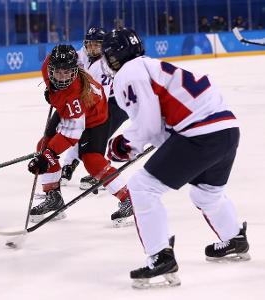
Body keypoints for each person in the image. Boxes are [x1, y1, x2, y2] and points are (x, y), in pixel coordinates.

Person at [101, 28, 250, 288]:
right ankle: (234, 238)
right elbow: (160, 126)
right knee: (206, 194)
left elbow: (146, 124)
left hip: (199, 134)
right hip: (226, 130)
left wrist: (124, 144)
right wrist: (137, 144)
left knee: (141, 188)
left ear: (114, 57)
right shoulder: (150, 66)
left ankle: (160, 257)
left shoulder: (129, 72)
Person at [27, 44, 132, 226]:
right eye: (57, 72)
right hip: (67, 109)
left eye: (66, 73)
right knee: (42, 146)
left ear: (75, 71)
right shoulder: (47, 67)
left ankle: (128, 199)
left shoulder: (75, 96)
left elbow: (71, 135)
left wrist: (48, 156)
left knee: (92, 161)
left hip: (96, 119)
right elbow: (55, 84)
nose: (61, 77)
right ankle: (53, 197)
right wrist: (51, 92)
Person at [59, 27, 131, 224]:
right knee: (84, 136)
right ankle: (72, 164)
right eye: (89, 43)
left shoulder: (105, 64)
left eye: (96, 44)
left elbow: (100, 94)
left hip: (115, 103)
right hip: (96, 102)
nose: (91, 47)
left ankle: (98, 172)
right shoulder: (82, 53)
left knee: (96, 139)